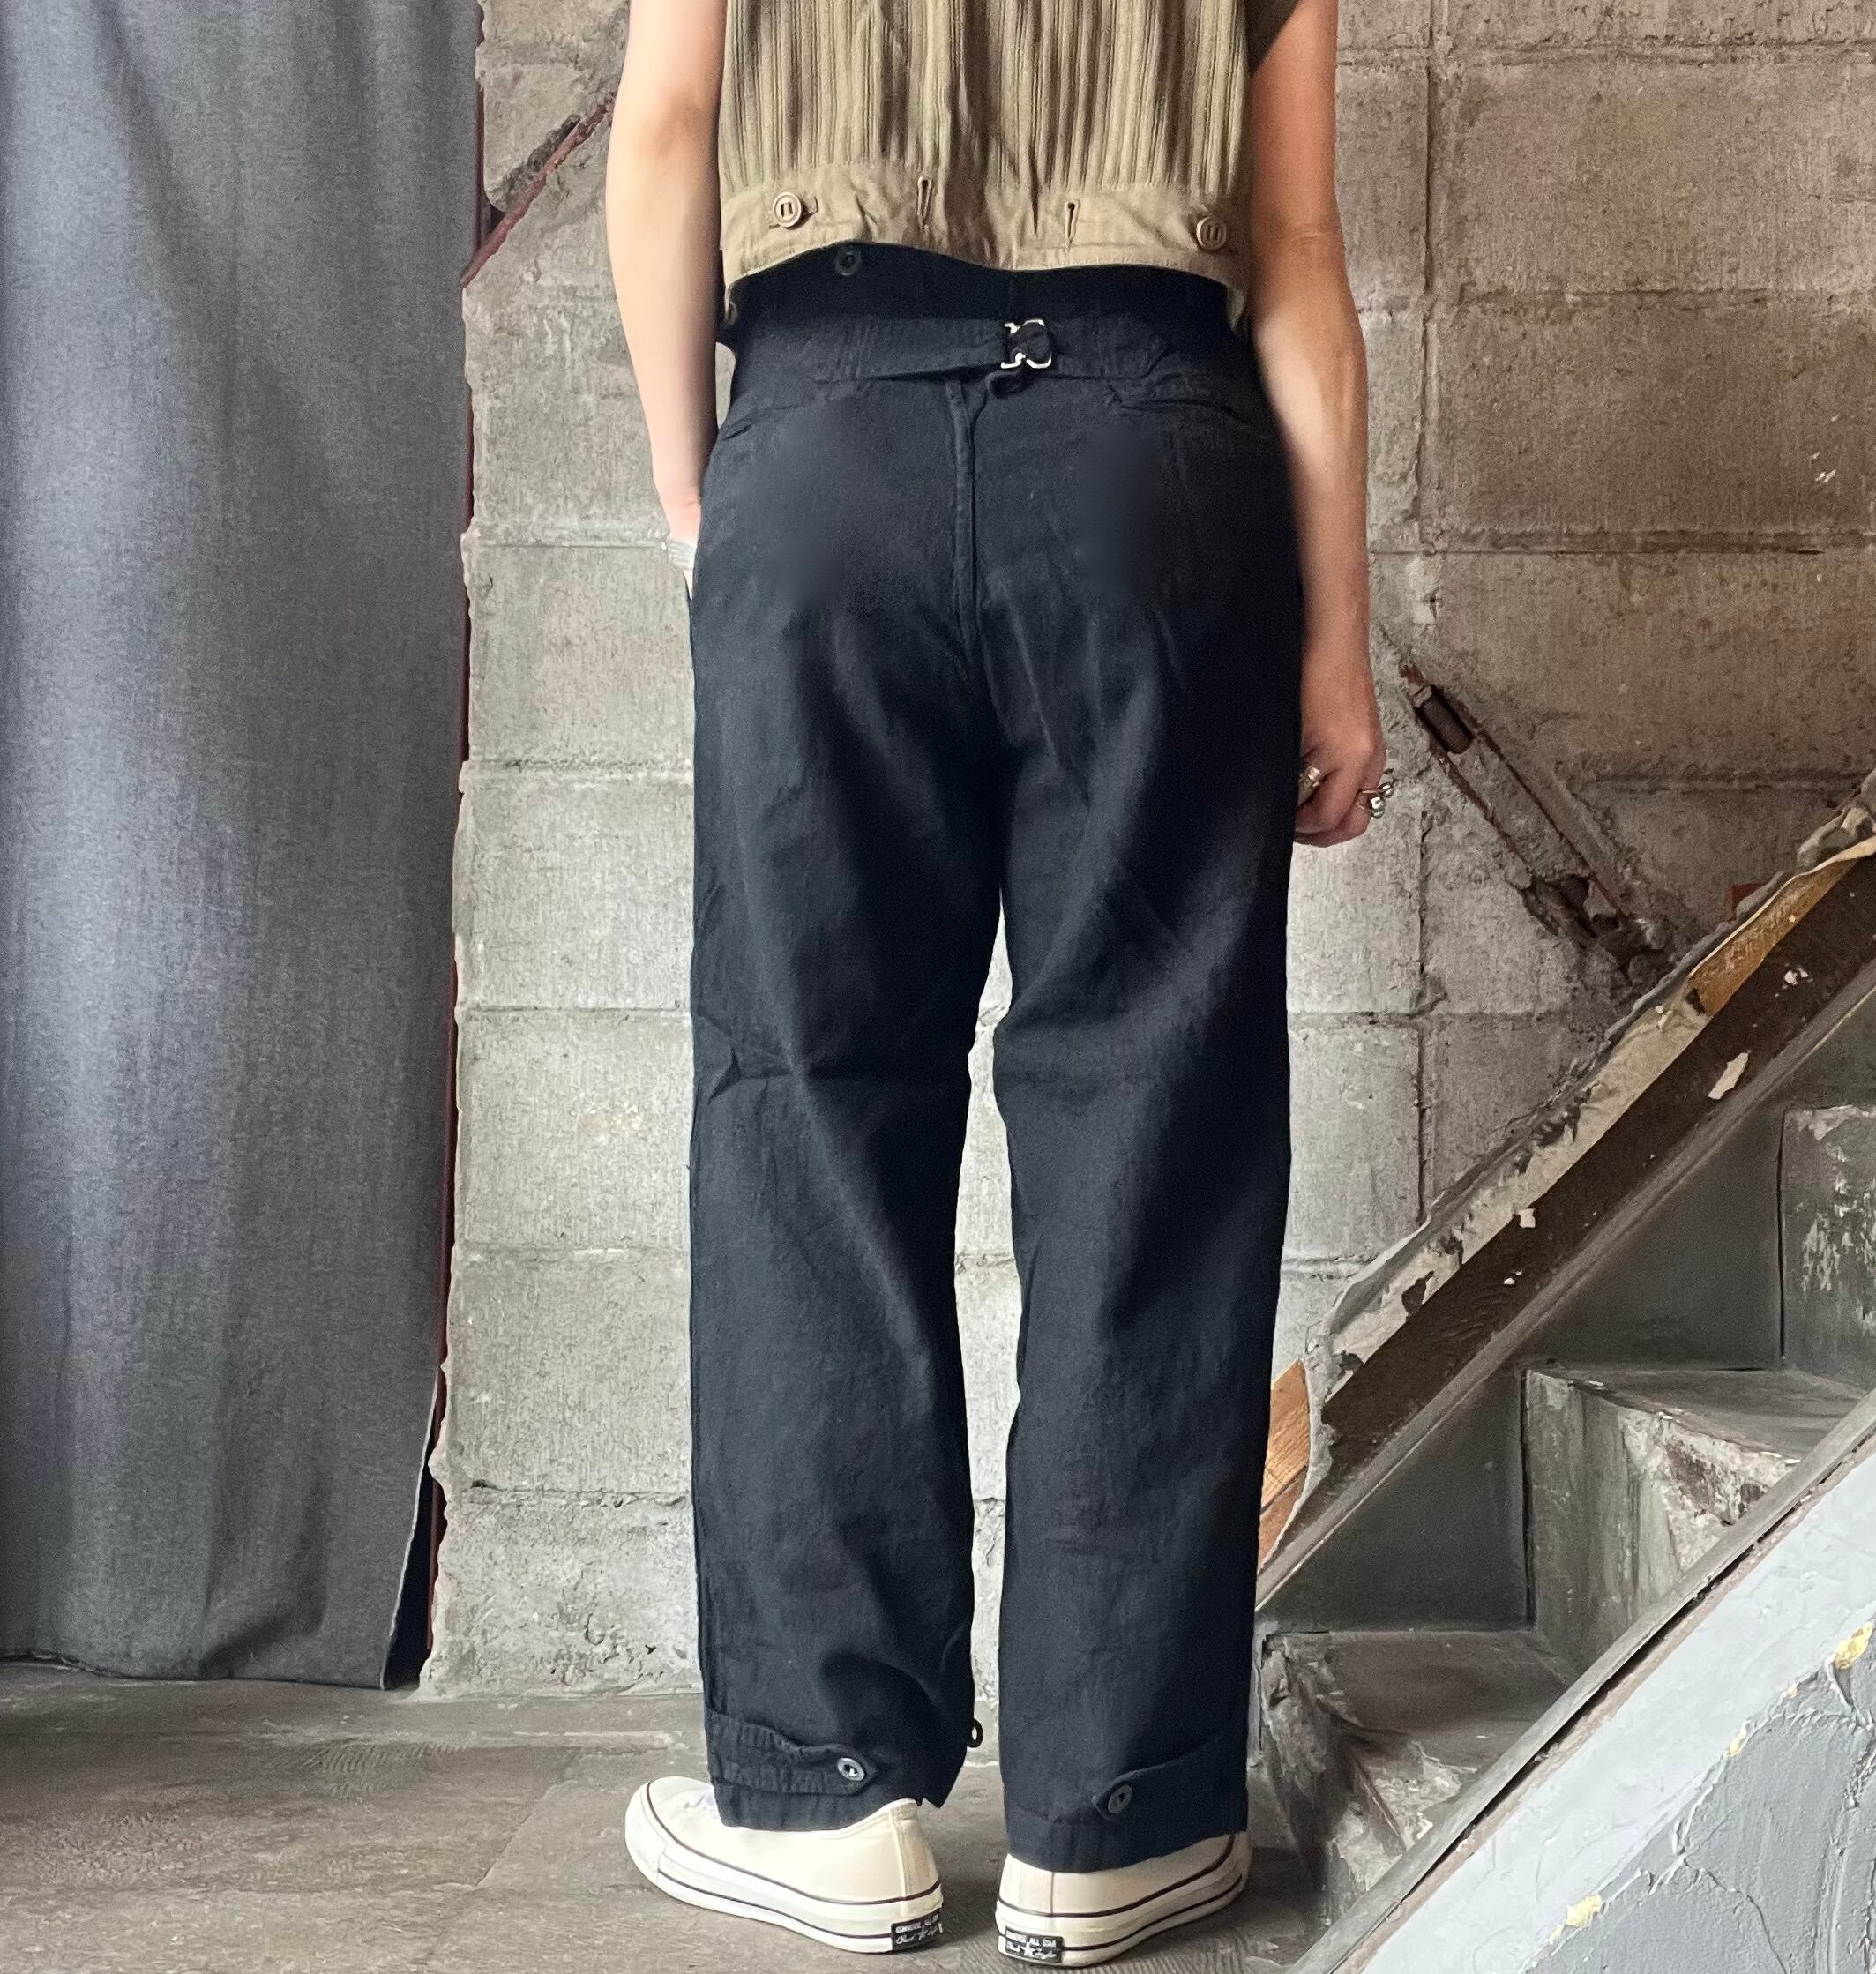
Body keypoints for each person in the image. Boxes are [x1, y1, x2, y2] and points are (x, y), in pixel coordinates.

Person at [602, 0, 1386, 1960]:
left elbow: (667, 132)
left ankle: (831, 1795)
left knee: (806, 1103)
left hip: (823, 439)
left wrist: (708, 492)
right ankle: (1113, 1818)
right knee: (1153, 1111)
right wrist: (1335, 636)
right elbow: (1293, 248)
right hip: (1152, 454)